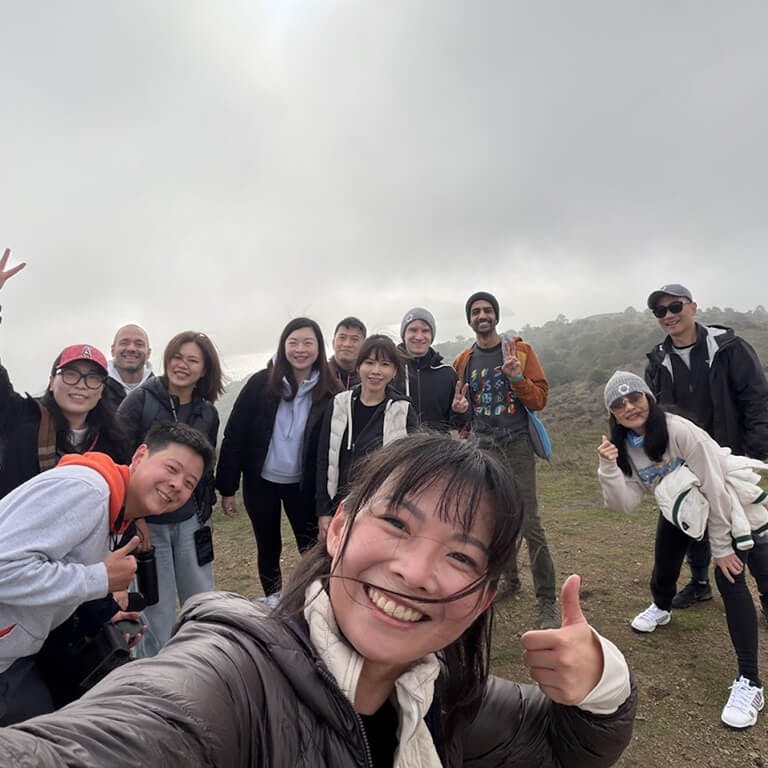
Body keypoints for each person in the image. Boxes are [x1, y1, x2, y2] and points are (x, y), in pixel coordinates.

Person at [0, 433, 636, 766]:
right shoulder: (229, 682)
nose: (414, 572)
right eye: (396, 524)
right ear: (337, 530)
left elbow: (566, 746)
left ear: (481, 599)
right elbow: (116, 738)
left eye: (461, 556)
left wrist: (604, 679)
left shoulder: (444, 696)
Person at [0, 421, 214, 725]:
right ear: (140, 456)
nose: (177, 485)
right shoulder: (87, 492)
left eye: (190, 483)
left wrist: (98, 613)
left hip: (17, 660)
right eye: (171, 468)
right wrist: (100, 578)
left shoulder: (116, 514)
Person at [597, 371, 764, 729]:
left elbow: (715, 486)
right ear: (613, 413)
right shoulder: (626, 446)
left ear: (648, 398)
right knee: (664, 570)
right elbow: (625, 504)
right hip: (679, 510)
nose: (629, 406)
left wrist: (721, 548)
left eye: (635, 398)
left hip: (723, 502)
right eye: (619, 404)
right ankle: (662, 608)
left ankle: (750, 681)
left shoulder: (678, 430)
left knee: (732, 578)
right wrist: (608, 467)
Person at [645, 284, 768, 619]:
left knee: (751, 529)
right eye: (661, 311)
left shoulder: (730, 349)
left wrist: (756, 453)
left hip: (732, 455)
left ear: (693, 307)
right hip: (684, 460)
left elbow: (756, 400)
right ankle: (699, 583)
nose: (669, 315)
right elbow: (653, 413)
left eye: (675, 307)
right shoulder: (658, 360)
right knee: (691, 520)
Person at [453, 291, 557, 629]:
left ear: (496, 316)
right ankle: (509, 583)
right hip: (483, 446)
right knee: (495, 521)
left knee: (529, 522)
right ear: (470, 319)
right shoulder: (464, 361)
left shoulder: (521, 352)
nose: (482, 315)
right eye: (475, 311)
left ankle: (547, 601)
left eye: (487, 310)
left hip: (516, 445)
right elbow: (462, 407)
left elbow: (539, 399)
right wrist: (462, 415)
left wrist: (516, 377)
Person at [117, 331, 223, 657]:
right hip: (149, 527)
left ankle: (205, 663)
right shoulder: (141, 401)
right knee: (156, 609)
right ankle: (156, 679)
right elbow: (122, 460)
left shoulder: (208, 413)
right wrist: (134, 521)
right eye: (177, 357)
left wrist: (204, 509)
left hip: (189, 521)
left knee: (202, 599)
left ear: (204, 370)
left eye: (192, 360)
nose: (182, 365)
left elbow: (206, 471)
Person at [216, 318, 339, 596]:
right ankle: (274, 602)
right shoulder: (261, 383)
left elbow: (334, 449)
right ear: (283, 346)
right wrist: (227, 487)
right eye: (293, 342)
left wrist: (329, 501)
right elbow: (235, 434)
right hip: (261, 483)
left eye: (308, 343)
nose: (300, 349)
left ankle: (316, 600)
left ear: (319, 348)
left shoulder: (330, 392)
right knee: (268, 548)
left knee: (312, 550)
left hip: (303, 487)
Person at [0, 250, 130, 499]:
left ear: (102, 389)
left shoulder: (112, 440)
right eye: (71, 374)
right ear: (51, 381)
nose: (81, 385)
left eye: (92, 378)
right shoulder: (19, 417)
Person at [316, 334, 417, 539]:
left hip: (381, 509)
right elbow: (324, 459)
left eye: (385, 364)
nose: (376, 371)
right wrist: (323, 511)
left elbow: (411, 467)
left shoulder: (403, 410)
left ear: (394, 370)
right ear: (358, 366)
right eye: (369, 363)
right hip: (339, 505)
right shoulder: (339, 404)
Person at [396, 306, 469, 431]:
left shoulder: (447, 374)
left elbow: (457, 424)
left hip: (437, 449)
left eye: (425, 331)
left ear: (432, 336)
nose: (419, 337)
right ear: (404, 335)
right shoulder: (392, 371)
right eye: (413, 330)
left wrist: (459, 412)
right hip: (398, 448)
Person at [107, 323, 153, 401]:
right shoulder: (96, 388)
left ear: (148, 353)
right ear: (113, 350)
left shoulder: (161, 392)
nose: (131, 348)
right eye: (124, 343)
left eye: (139, 344)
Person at [328, 316, 367, 390]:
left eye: (354, 339)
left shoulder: (369, 379)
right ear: (333, 342)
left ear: (364, 346)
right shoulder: (319, 376)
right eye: (342, 337)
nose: (347, 344)